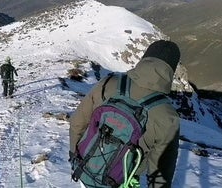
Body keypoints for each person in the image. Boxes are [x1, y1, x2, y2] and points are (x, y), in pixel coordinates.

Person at [69, 40, 180, 187]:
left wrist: (74, 156)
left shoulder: (109, 83)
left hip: (85, 168)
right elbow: (161, 169)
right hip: (120, 180)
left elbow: (78, 122)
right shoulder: (167, 116)